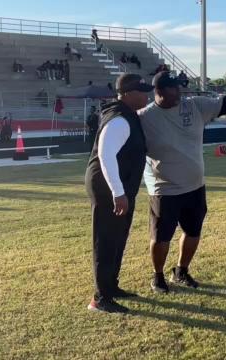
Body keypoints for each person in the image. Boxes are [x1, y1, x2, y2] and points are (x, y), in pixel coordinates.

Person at [139, 71, 226, 293]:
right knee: (160, 237)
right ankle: (157, 276)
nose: (180, 91)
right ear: (159, 91)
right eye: (174, 88)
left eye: (180, 86)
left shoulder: (194, 105)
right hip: (164, 189)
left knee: (193, 231)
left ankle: (181, 270)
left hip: (195, 186)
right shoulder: (143, 118)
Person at [85, 73, 154, 313]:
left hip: (119, 187)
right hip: (109, 188)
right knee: (106, 240)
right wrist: (118, 192)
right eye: (142, 91)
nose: (147, 95)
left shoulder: (127, 115)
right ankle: (100, 298)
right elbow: (105, 155)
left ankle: (111, 286)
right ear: (128, 94)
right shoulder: (119, 119)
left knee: (118, 237)